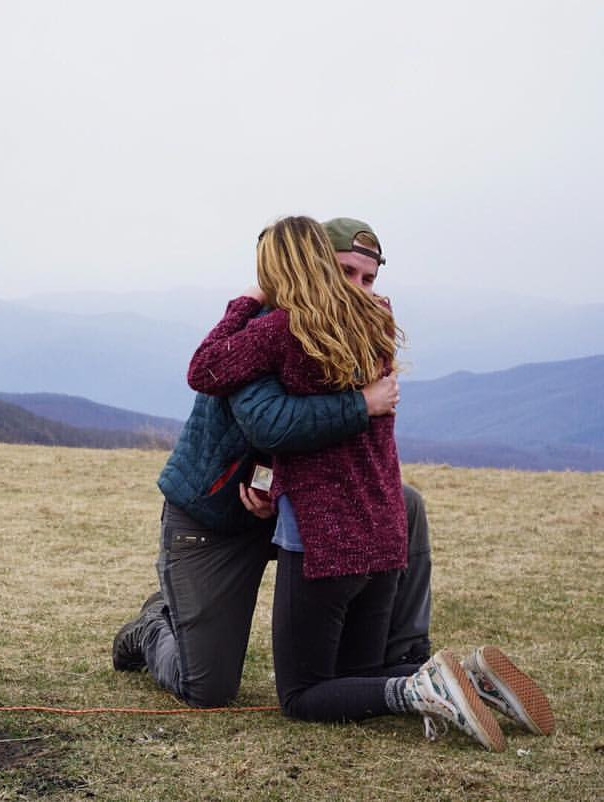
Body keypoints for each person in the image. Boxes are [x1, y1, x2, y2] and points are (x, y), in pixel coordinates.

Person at [181, 216, 552, 749]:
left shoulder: (284, 329)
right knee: (357, 676)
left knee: (304, 694)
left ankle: (425, 689)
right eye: (346, 272)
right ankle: (474, 683)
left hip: (323, 537)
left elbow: (206, 369)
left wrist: (248, 298)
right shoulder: (377, 320)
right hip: (381, 531)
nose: (359, 286)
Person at [112, 217, 428, 714]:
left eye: (369, 279)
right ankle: (153, 626)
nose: (359, 290)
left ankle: (404, 657)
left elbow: (322, 447)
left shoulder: (349, 330)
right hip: (214, 519)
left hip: (283, 504)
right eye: (346, 273)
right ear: (316, 265)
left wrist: (275, 486)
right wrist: (362, 403)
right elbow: (270, 424)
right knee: (208, 690)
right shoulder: (263, 332)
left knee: (404, 504)